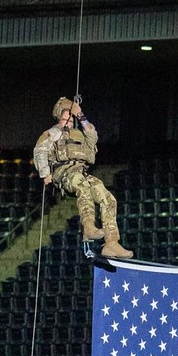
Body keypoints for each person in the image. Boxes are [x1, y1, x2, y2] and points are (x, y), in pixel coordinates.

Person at [33, 97, 133, 261]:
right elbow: (39, 151)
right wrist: (45, 174)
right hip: (63, 172)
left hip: (80, 172)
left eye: (71, 118)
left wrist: (81, 115)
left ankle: (111, 241)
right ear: (60, 118)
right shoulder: (52, 133)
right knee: (82, 186)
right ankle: (89, 227)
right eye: (66, 117)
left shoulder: (79, 133)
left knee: (107, 196)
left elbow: (92, 135)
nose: (69, 120)